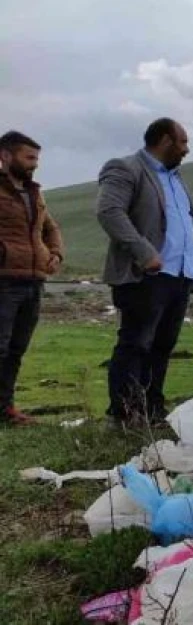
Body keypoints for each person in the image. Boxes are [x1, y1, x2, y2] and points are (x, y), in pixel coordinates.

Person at [97, 118, 193, 427]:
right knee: (136, 344)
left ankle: (151, 409)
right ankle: (123, 413)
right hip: (145, 275)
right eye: (182, 142)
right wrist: (144, 252)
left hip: (180, 276)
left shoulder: (177, 179)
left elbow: (190, 222)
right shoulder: (126, 168)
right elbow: (109, 212)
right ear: (163, 140)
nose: (187, 149)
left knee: (162, 347)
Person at [0, 131, 64, 426]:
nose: (34, 164)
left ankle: (6, 409)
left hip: (33, 280)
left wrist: (56, 254)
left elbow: (51, 228)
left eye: (37, 159)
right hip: (4, 279)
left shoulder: (35, 193)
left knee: (16, 348)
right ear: (6, 156)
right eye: (29, 158)